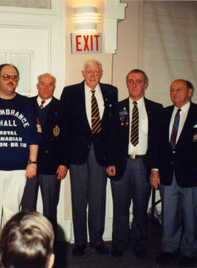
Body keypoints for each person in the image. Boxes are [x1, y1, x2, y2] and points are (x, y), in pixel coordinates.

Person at [150, 79, 197, 267]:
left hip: (193, 175)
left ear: (190, 91)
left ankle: (189, 251)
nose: (174, 93)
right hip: (167, 174)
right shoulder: (162, 114)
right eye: (171, 90)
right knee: (169, 214)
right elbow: (155, 145)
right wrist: (154, 170)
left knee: (192, 215)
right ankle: (169, 249)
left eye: (179, 89)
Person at [0, 63, 40, 266]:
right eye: (6, 76)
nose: (10, 80)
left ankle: (8, 249)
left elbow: (34, 135)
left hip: (18, 167)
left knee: (12, 211)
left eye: (14, 76)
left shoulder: (26, 103)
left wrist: (32, 162)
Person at [60, 58, 118, 256]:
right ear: (82, 73)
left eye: (96, 72)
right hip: (77, 154)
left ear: (101, 73)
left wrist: (111, 159)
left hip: (100, 154)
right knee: (78, 200)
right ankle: (80, 241)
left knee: (98, 199)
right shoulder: (70, 92)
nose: (93, 75)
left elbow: (112, 130)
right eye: (89, 72)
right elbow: (65, 127)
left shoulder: (111, 91)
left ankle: (97, 239)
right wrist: (64, 160)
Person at [106, 69, 163, 258]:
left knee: (140, 208)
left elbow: (158, 142)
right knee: (120, 207)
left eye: (138, 81)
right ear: (126, 83)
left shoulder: (156, 108)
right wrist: (110, 162)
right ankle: (120, 244)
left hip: (143, 165)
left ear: (145, 84)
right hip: (121, 164)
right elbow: (110, 139)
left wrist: (155, 168)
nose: (134, 85)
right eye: (130, 81)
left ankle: (139, 244)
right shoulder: (117, 107)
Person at [22, 73, 69, 238]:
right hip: (29, 165)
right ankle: (26, 242)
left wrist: (64, 163)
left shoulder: (62, 107)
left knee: (50, 209)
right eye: (43, 84)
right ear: (37, 85)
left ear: (54, 87)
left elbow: (66, 139)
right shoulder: (26, 104)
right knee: (27, 208)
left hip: (52, 166)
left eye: (50, 84)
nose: (46, 87)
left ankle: (51, 243)